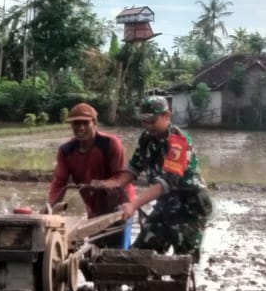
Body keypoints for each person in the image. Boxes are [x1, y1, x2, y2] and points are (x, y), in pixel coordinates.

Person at [111, 94, 212, 257]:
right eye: (144, 120)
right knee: (140, 254)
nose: (148, 126)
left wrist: (133, 204)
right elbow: (134, 167)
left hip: (190, 207)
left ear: (167, 116)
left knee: (182, 262)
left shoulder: (179, 141)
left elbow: (165, 183)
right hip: (165, 204)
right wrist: (115, 186)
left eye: (152, 120)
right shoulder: (146, 138)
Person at [46, 102, 134, 247]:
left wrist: (103, 183)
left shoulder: (110, 143)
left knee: (119, 253)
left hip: (119, 205)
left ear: (94, 123)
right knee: (95, 253)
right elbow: (59, 182)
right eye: (76, 123)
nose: (81, 128)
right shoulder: (66, 151)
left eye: (85, 123)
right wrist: (50, 209)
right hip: (94, 207)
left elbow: (120, 177)